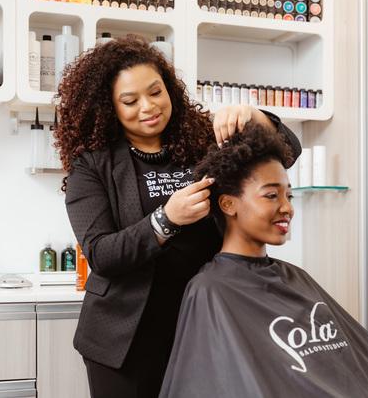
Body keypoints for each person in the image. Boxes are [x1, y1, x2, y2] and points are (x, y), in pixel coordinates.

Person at [55, 35, 301, 398]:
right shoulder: (92, 165)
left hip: (204, 322)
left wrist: (255, 117)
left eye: (156, 92)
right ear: (109, 107)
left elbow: (288, 151)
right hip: (126, 341)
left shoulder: (203, 138)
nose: (148, 107)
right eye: (130, 101)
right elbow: (102, 254)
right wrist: (166, 219)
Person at [159, 124, 368, 398]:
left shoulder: (296, 277)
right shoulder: (211, 290)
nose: (287, 208)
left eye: (288, 195)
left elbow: (362, 368)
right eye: (271, 195)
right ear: (228, 204)